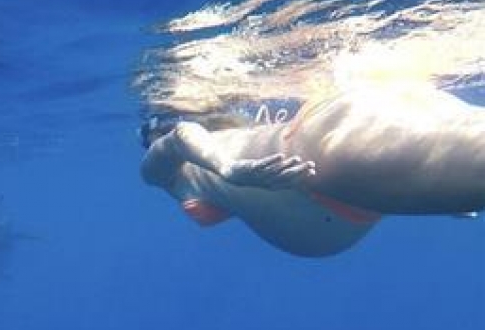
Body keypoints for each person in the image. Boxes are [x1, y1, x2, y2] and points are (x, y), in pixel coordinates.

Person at [140, 83, 485, 257]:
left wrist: (229, 169)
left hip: (329, 165)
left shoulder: (169, 176)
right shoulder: (227, 144)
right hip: (356, 173)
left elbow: (179, 138)